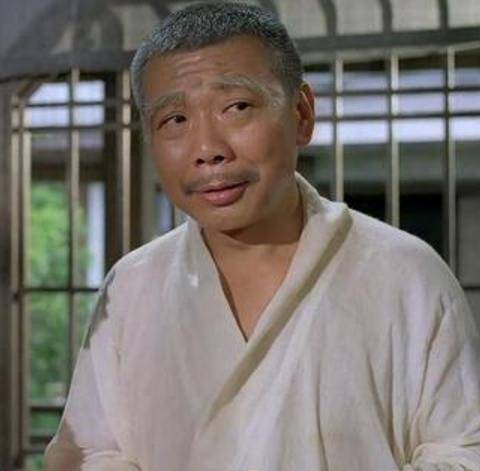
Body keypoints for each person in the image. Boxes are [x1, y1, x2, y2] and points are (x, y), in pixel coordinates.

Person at [44, 2, 480, 470]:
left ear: (302, 114)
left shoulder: (403, 272)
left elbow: (463, 451)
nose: (208, 150)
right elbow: (91, 453)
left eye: (236, 108)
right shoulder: (133, 285)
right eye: (175, 120)